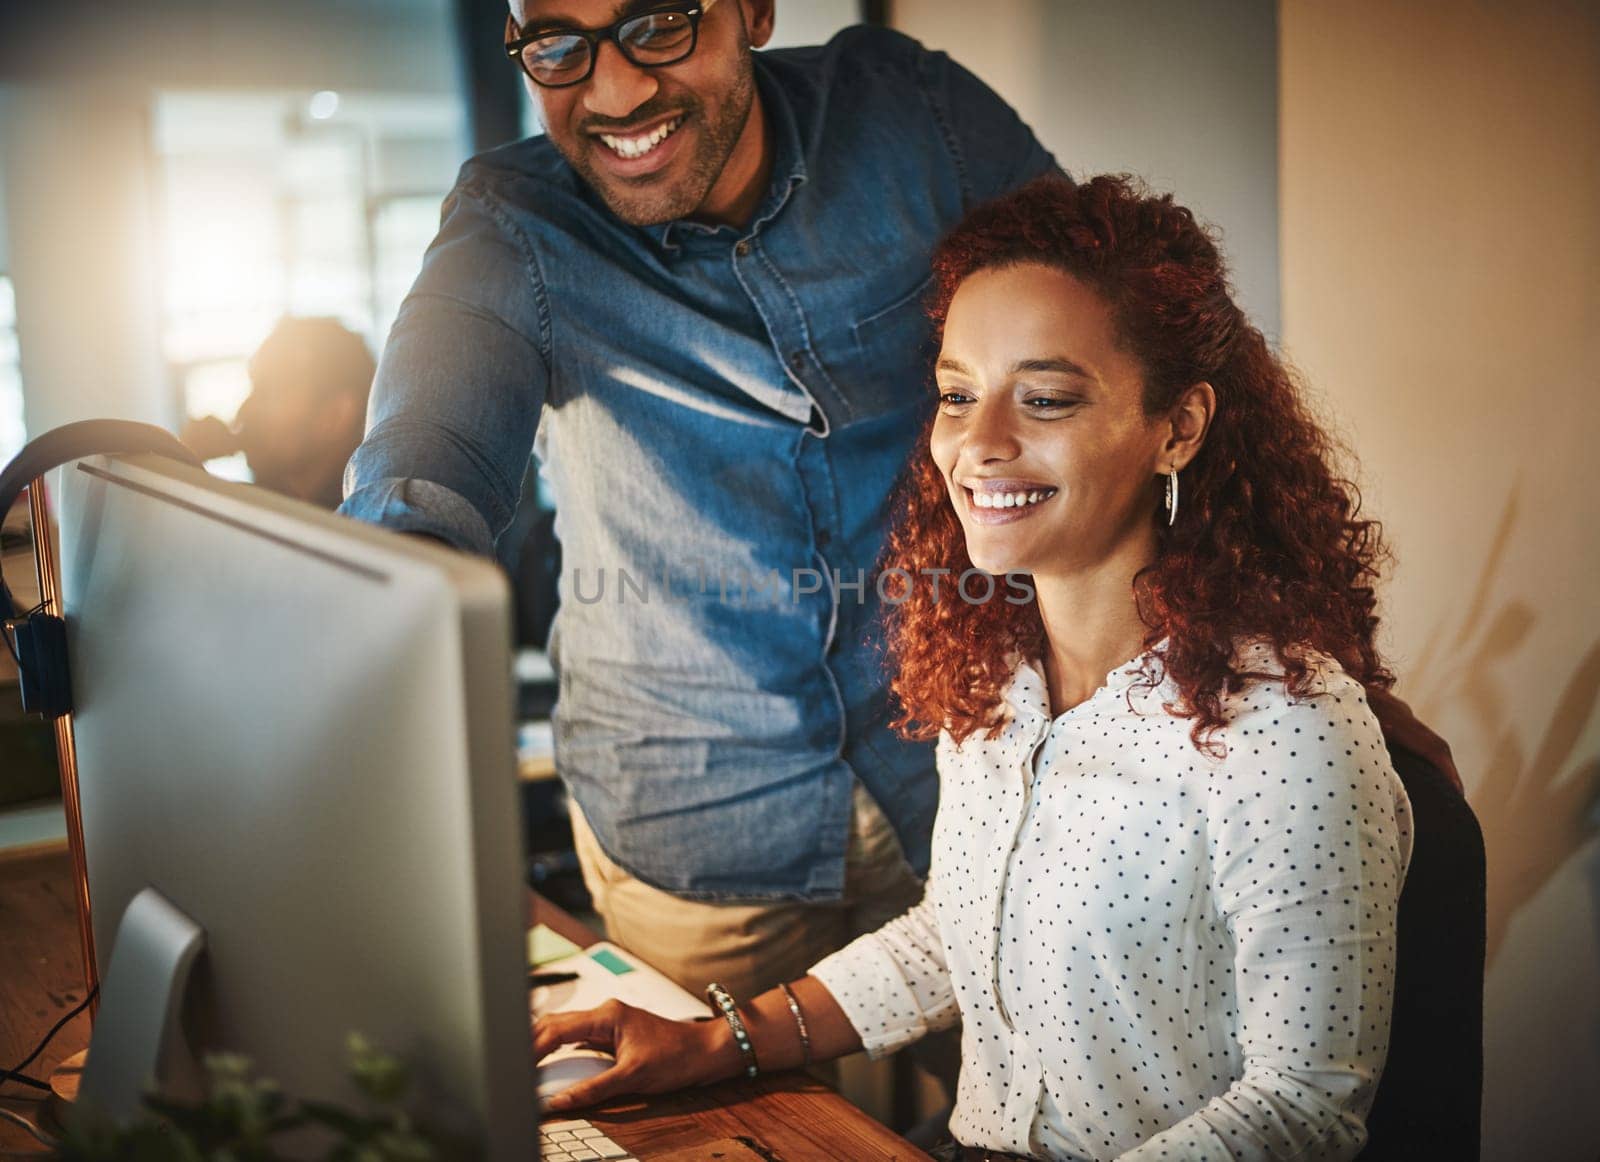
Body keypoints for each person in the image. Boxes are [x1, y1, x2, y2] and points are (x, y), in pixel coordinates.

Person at [530, 174, 1415, 1161]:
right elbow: (954, 933)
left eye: (1043, 399)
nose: (978, 443)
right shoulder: (997, 676)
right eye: (957, 394)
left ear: (1179, 427)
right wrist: (718, 1042)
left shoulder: (1284, 727)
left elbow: (1303, 1103)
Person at [340, 0, 1060, 999]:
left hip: (959, 766)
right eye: (558, 43)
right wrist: (380, 623)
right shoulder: (513, 226)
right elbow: (427, 455)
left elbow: (1114, 323)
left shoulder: (915, 118)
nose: (615, 88)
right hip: (691, 820)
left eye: (659, 22)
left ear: (753, 11)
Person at [181, 316, 375, 510]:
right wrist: (184, 465)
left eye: (268, 393)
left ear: (336, 415)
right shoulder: (271, 500)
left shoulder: (372, 519)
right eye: (254, 388)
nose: (244, 412)